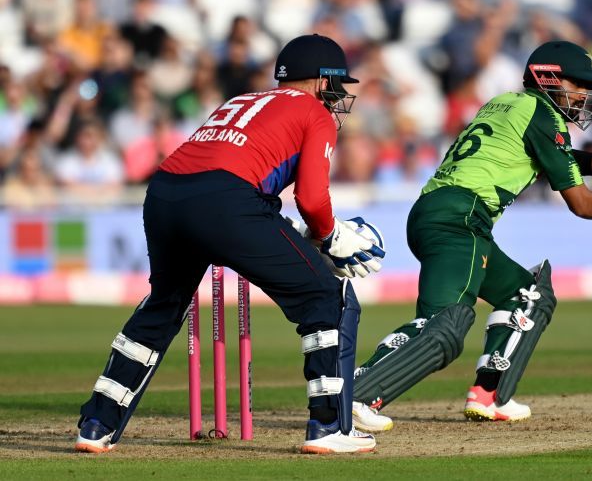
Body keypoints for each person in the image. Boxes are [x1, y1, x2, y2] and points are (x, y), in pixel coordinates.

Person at [74, 34, 385, 454]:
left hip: (164, 193)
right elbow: (310, 198)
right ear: (319, 80)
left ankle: (96, 424)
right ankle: (328, 427)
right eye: (335, 84)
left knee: (164, 305)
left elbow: (247, 184)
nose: (338, 96)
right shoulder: (314, 112)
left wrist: (304, 232)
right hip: (227, 200)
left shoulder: (239, 100)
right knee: (327, 296)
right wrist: (329, 236)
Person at [349, 41, 592, 432]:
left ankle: (491, 395)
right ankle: (355, 396)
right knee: (445, 325)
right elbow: (579, 202)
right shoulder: (543, 114)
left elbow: (551, 154)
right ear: (548, 77)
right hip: (460, 218)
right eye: (577, 83)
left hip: (445, 213)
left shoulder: (509, 103)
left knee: (528, 294)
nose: (583, 94)